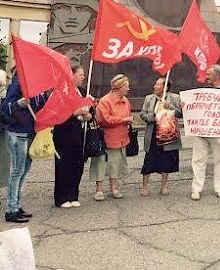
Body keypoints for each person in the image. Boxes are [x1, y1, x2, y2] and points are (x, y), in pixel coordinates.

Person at [1, 73, 47, 223]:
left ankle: (17, 205)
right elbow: (5, 107)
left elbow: (41, 106)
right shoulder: (18, 83)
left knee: (24, 171)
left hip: (29, 133)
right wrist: (18, 104)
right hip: (17, 133)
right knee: (17, 171)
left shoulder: (36, 87)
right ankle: (11, 209)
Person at [53, 65, 92, 208]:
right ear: (72, 75)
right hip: (64, 134)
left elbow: (89, 112)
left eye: (83, 75)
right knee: (64, 165)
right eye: (80, 74)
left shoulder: (82, 92)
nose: (83, 77)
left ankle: (73, 194)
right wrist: (76, 113)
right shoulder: (62, 92)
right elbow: (58, 114)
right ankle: (61, 198)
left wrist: (88, 115)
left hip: (78, 134)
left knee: (77, 165)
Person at [191, 65, 220, 200]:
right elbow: (193, 106)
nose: (206, 77)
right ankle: (196, 189)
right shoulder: (202, 90)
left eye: (209, 75)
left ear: (217, 76)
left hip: (219, 133)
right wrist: (185, 106)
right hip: (201, 132)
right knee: (198, 160)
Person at [91, 74, 133, 201]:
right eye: (126, 86)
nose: (128, 89)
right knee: (101, 163)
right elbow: (104, 119)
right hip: (106, 138)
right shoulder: (105, 101)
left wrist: (128, 120)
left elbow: (128, 114)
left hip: (121, 137)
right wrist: (122, 120)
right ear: (118, 87)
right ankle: (99, 190)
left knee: (115, 164)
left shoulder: (126, 100)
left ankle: (114, 188)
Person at [140, 77, 183, 197]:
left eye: (158, 85)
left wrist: (170, 108)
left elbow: (180, 114)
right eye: (155, 84)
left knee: (166, 159)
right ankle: (144, 186)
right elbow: (143, 115)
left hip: (168, 133)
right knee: (149, 160)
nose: (155, 86)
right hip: (153, 132)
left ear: (165, 87)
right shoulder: (149, 98)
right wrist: (154, 116)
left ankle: (164, 185)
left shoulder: (175, 98)